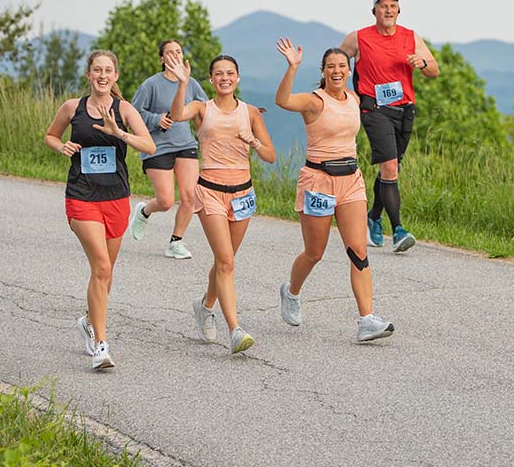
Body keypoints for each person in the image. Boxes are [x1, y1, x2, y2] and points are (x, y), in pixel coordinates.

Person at [274, 38, 394, 342]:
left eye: (342, 66)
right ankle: (291, 291)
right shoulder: (315, 101)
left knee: (359, 250)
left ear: (349, 70)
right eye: (331, 67)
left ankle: (366, 320)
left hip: (351, 180)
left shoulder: (353, 99)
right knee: (315, 253)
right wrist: (292, 67)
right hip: (318, 181)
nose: (337, 71)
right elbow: (283, 100)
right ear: (324, 72)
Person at [44, 49, 156, 370]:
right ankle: (101, 345)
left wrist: (118, 132)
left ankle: (89, 322)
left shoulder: (124, 109)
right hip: (81, 196)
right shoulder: (72, 108)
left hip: (116, 197)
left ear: (115, 76)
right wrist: (61, 145)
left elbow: (149, 146)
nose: (102, 75)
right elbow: (50, 135)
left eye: (108, 70)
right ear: (89, 75)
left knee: (105, 273)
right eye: (97, 70)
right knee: (102, 268)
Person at [166, 51, 275, 354]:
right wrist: (181, 84)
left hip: (242, 193)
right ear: (211, 79)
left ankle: (205, 306)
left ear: (237, 78)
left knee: (223, 261)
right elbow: (176, 116)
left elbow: (270, 155)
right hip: (210, 190)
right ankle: (235, 329)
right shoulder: (202, 108)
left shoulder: (250, 112)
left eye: (230, 73)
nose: (225, 78)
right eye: (219, 74)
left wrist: (253, 142)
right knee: (226, 261)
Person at [340, 0, 439, 253]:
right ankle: (397, 230)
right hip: (374, 109)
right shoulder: (358, 38)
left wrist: (421, 63)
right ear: (374, 11)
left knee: (390, 168)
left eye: (392, 6)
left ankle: (373, 216)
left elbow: (434, 70)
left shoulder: (411, 37)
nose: (388, 10)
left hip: (404, 109)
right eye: (383, 6)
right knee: (391, 168)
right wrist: (346, 92)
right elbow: (336, 62)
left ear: (398, 10)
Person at [128, 39, 207, 259]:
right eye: (169, 53)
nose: (175, 56)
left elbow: (206, 109)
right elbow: (132, 114)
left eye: (179, 51)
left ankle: (175, 242)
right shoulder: (150, 85)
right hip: (158, 147)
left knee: (190, 196)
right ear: (162, 59)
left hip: (186, 145)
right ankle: (144, 212)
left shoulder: (191, 84)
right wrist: (155, 119)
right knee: (165, 201)